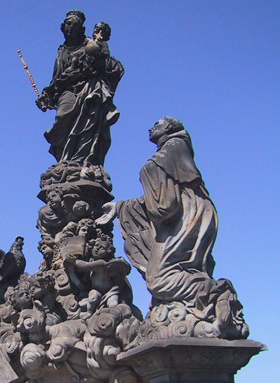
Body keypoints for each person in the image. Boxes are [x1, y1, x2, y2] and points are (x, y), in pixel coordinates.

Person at [97, 117, 248, 337]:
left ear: (170, 128)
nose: (151, 127)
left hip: (187, 216)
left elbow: (164, 206)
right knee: (180, 269)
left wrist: (132, 202)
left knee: (158, 278)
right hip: (195, 211)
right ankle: (198, 303)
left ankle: (216, 293)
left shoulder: (165, 154)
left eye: (157, 124)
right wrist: (120, 206)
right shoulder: (176, 149)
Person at [36, 10, 124, 167]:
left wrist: (97, 63)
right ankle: (64, 161)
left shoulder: (91, 44)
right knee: (62, 117)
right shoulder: (61, 51)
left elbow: (116, 68)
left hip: (88, 90)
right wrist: (47, 96)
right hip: (68, 90)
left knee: (88, 123)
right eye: (68, 24)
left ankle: (81, 162)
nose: (71, 27)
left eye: (75, 25)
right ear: (63, 28)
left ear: (81, 29)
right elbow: (57, 79)